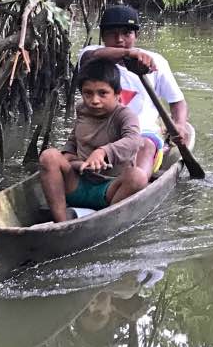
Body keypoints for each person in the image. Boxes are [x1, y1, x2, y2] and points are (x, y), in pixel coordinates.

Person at [78, 4, 188, 178]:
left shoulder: (157, 62)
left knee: (143, 144)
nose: (120, 39)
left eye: (126, 33)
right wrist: (129, 54)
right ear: (103, 36)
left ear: (137, 35)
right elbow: (93, 56)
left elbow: (177, 101)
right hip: (100, 130)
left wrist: (180, 125)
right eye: (112, 34)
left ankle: (136, 186)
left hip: (143, 133)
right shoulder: (91, 55)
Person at [38, 58, 148, 223]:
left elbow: (134, 141)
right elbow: (74, 139)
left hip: (110, 189)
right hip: (78, 183)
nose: (94, 100)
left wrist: (103, 152)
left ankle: (105, 222)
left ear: (118, 94)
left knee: (138, 177)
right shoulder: (82, 110)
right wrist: (68, 155)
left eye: (103, 93)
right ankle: (61, 223)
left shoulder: (124, 115)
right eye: (88, 93)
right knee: (49, 156)